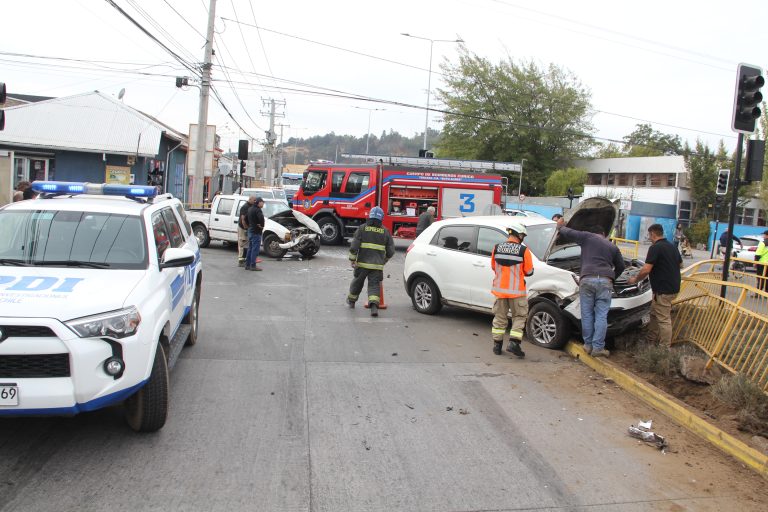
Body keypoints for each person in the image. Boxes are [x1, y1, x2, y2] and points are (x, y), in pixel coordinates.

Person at [556, 217, 625, 357]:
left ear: (592, 232)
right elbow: (621, 266)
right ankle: (598, 348)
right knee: (601, 315)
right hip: (605, 281)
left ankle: (587, 345)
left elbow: (570, 233)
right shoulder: (612, 246)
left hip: (587, 279)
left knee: (586, 313)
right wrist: (612, 278)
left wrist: (560, 227)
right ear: (604, 234)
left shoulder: (587, 237)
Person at [628, 224, 682, 346]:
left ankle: (664, 348)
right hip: (672, 288)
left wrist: (635, 279)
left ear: (653, 234)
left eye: (649, 235)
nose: (649, 237)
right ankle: (650, 339)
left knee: (663, 320)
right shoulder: (672, 246)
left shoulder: (655, 248)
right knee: (653, 313)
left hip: (663, 291)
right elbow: (680, 264)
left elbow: (646, 269)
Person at [490, 222, 533, 357]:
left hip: (499, 291)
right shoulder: (523, 250)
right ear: (519, 235)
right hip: (517, 293)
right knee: (519, 317)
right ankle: (514, 343)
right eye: (522, 235)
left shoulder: (496, 248)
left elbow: (493, 267)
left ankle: (497, 346)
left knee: (499, 317)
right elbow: (529, 271)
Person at [346, 206, 395, 317]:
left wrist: (352, 259)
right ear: (381, 218)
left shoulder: (362, 228)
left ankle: (352, 302)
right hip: (377, 266)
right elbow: (391, 251)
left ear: (370, 216)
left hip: (362, 264)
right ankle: (374, 308)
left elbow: (354, 246)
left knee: (357, 283)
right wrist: (384, 260)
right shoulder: (385, 231)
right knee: (374, 285)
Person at [244, 197, 265, 271]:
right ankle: (253, 265)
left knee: (250, 248)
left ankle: (247, 265)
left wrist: (249, 225)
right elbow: (261, 218)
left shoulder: (250, 208)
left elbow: (245, 218)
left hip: (250, 230)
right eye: (262, 202)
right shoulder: (258, 210)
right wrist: (261, 226)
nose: (263, 204)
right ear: (259, 202)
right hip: (256, 231)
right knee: (255, 249)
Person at [238, 196, 256, 267]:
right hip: (243, 227)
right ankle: (241, 261)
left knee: (247, 244)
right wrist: (245, 229)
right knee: (242, 243)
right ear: (250, 199)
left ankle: (245, 259)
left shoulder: (251, 206)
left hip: (248, 227)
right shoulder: (245, 207)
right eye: (254, 200)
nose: (255, 201)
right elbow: (243, 219)